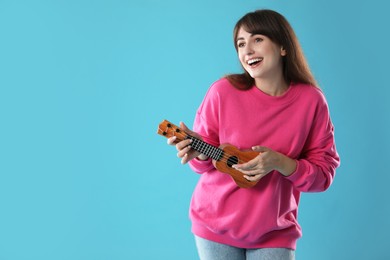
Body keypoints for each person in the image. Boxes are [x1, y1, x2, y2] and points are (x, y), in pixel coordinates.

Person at [167, 9, 340, 260]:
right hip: (213, 226)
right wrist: (200, 155)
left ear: (282, 46)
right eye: (240, 44)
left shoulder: (311, 102)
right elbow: (202, 164)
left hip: (274, 231)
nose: (247, 50)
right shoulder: (222, 92)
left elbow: (323, 175)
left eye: (257, 39)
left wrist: (280, 162)